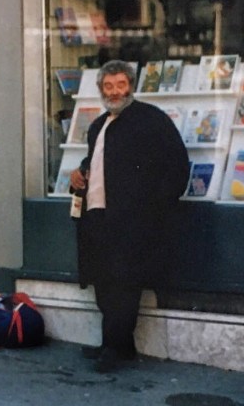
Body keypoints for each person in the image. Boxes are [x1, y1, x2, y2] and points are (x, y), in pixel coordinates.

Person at [69, 59, 189, 373]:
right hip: (97, 217)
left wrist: (153, 210)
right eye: (108, 86)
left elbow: (177, 167)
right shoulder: (98, 125)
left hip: (132, 222)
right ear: (101, 89)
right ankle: (120, 346)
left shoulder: (151, 120)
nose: (114, 92)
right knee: (103, 283)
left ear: (131, 86)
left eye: (120, 85)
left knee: (123, 285)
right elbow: (99, 161)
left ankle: (113, 348)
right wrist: (80, 173)